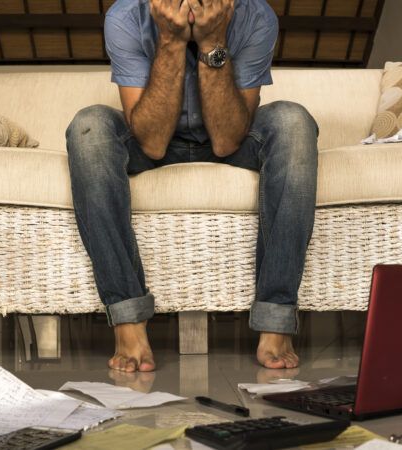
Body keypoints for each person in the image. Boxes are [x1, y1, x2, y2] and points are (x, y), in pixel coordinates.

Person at [66, 0, 319, 372]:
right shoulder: (125, 15)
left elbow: (227, 141)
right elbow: (151, 142)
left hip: (227, 138)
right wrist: (169, 41)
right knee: (88, 127)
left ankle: (276, 321)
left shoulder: (255, 15)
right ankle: (128, 322)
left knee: (294, 121)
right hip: (154, 143)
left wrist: (212, 41)